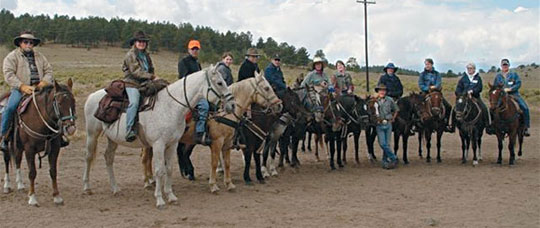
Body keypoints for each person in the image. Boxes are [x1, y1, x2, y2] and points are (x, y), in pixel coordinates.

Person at [1, 31, 54, 151]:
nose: (28, 44)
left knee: (55, 104)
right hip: (20, 89)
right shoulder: (12, 57)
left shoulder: (40, 56)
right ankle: (4, 136)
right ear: (20, 43)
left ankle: (58, 136)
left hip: (40, 88)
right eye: (26, 42)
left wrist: (43, 83)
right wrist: (22, 86)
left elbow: (49, 71)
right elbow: (9, 74)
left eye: (31, 42)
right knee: (10, 108)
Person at [122, 31, 156, 142]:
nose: (142, 43)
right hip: (132, 83)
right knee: (134, 102)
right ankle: (129, 129)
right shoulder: (131, 55)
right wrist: (151, 77)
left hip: (144, 82)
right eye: (139, 41)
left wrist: (152, 76)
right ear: (135, 42)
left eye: (144, 42)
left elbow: (151, 68)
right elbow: (135, 71)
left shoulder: (146, 55)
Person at [177, 40, 210, 144]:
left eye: (196, 49)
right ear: (188, 50)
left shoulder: (197, 63)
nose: (195, 51)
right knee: (204, 106)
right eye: (193, 49)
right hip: (187, 91)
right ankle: (199, 132)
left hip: (197, 92)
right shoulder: (184, 62)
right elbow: (184, 78)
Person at [493, 59, 530, 136]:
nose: (505, 66)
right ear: (501, 66)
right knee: (493, 108)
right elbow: (495, 86)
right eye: (503, 65)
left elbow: (518, 84)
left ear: (509, 65)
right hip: (502, 96)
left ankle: (526, 127)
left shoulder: (514, 75)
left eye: (506, 65)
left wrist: (510, 89)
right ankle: (493, 126)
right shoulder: (498, 76)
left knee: (525, 108)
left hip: (514, 95)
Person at [418, 58, 453, 132]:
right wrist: (428, 88)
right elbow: (421, 84)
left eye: (428, 64)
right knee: (417, 105)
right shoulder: (422, 74)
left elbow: (438, 83)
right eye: (426, 64)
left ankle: (445, 124)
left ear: (431, 64)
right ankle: (417, 123)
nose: (427, 66)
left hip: (436, 92)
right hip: (425, 92)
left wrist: (435, 87)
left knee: (448, 106)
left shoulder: (437, 74)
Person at [454, 62, 490, 129]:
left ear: (474, 69)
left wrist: (472, 91)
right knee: (455, 109)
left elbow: (479, 88)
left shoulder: (478, 78)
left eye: (471, 68)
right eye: (468, 68)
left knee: (484, 108)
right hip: (464, 98)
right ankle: (453, 125)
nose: (469, 70)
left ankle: (487, 125)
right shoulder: (463, 78)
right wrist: (462, 94)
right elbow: (458, 88)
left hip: (475, 97)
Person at [374, 83, 399, 169]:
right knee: (382, 143)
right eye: (380, 90)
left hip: (388, 123)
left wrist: (393, 118)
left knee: (387, 144)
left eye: (384, 90)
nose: (382, 92)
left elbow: (396, 109)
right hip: (379, 123)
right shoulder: (374, 100)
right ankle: (393, 157)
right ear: (378, 91)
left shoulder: (390, 100)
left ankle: (385, 162)